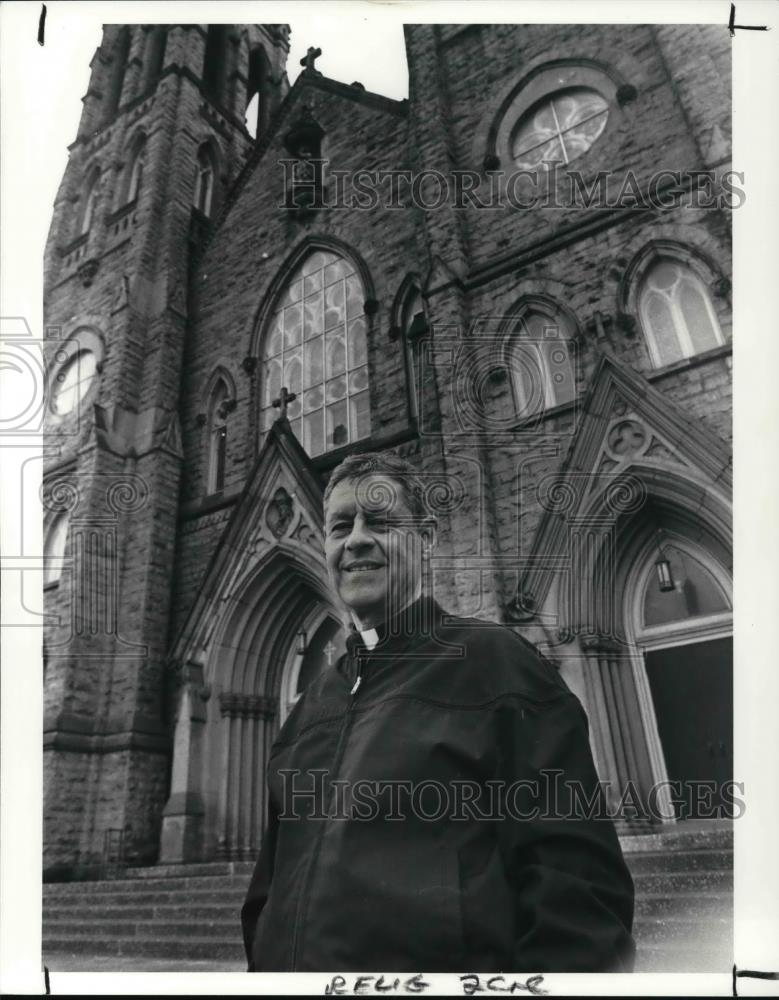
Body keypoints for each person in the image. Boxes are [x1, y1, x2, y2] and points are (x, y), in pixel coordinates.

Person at [241, 451, 635, 973]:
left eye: (379, 522)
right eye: (340, 527)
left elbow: (579, 893)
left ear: (425, 539)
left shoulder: (494, 663)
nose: (355, 539)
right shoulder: (311, 703)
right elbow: (269, 891)